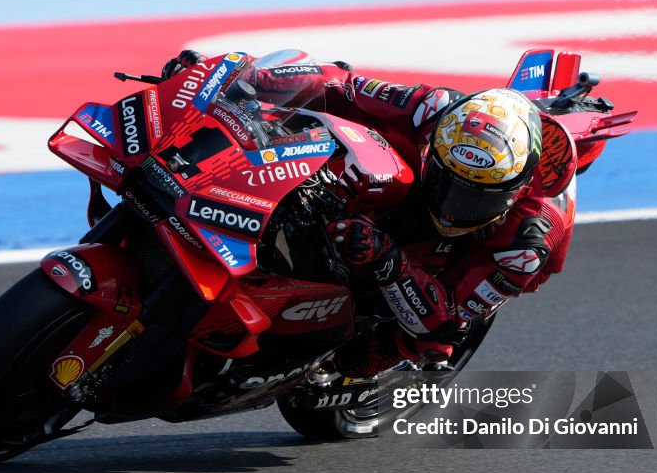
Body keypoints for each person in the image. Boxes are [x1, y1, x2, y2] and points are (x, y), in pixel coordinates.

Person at [163, 50, 587, 377]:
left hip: (471, 270)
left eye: (474, 197)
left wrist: (389, 259)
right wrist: (245, 81)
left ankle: (367, 370)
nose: (453, 204)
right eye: (447, 181)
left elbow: (449, 317)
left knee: (373, 356)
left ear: (512, 191)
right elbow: (342, 84)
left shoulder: (526, 245)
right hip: (407, 188)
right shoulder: (433, 108)